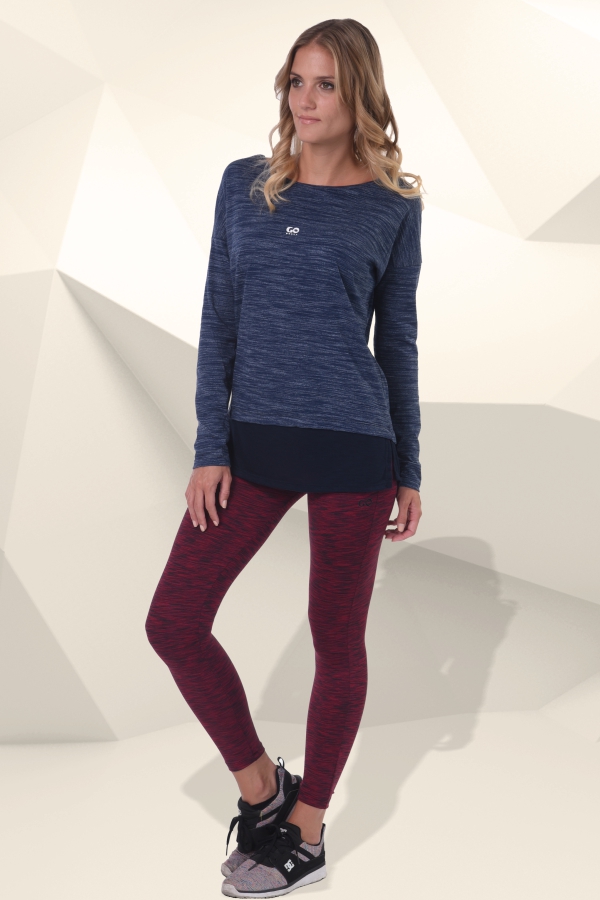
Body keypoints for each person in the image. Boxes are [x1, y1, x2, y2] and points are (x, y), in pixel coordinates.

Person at [145, 17, 424, 898]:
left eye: (326, 85)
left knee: (335, 640)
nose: (306, 100)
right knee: (173, 622)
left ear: (359, 96)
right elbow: (218, 319)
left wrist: (411, 467)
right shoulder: (246, 185)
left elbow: (398, 342)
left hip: (355, 448)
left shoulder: (393, 206)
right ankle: (264, 789)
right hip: (254, 448)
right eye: (296, 81)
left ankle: (306, 830)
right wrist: (209, 446)